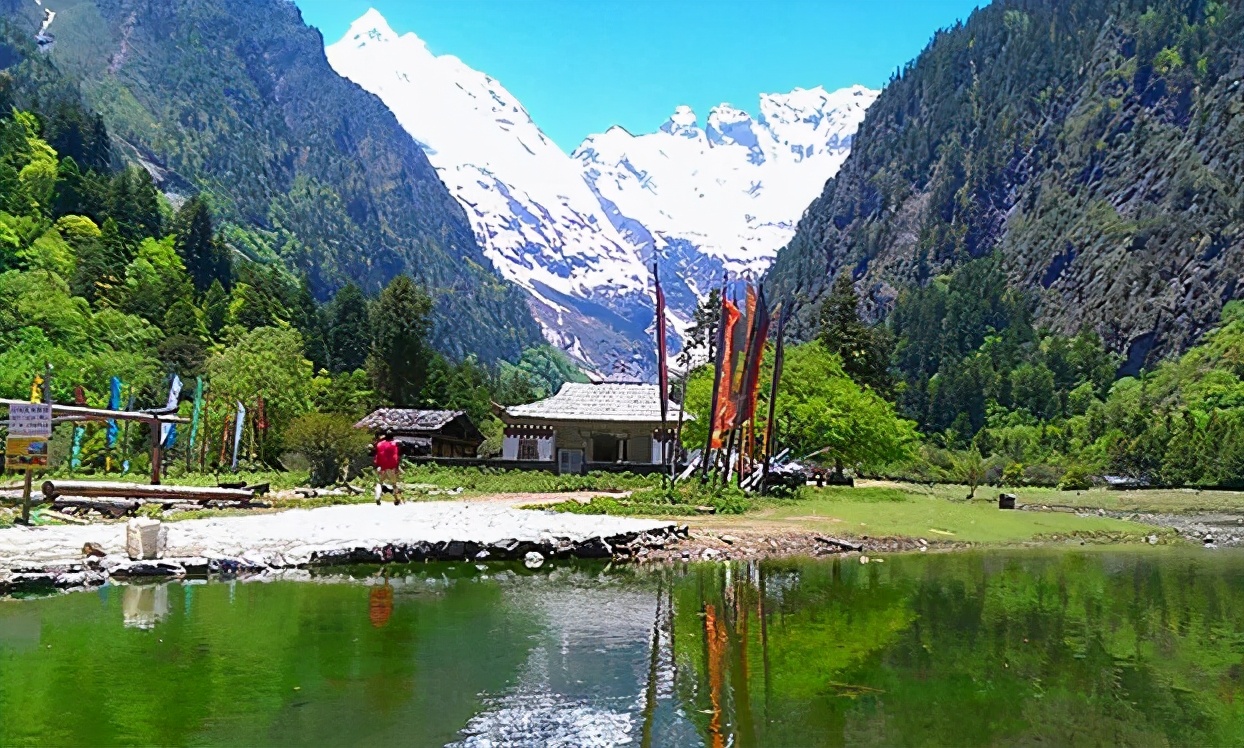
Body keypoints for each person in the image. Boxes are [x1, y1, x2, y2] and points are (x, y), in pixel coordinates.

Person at [372, 430, 402, 505]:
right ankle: (396, 498)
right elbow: (396, 457)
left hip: (382, 467)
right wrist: (397, 467)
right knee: (394, 484)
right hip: (391, 467)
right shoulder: (395, 444)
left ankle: (378, 497)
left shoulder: (379, 444)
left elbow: (378, 456)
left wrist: (377, 465)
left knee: (379, 482)